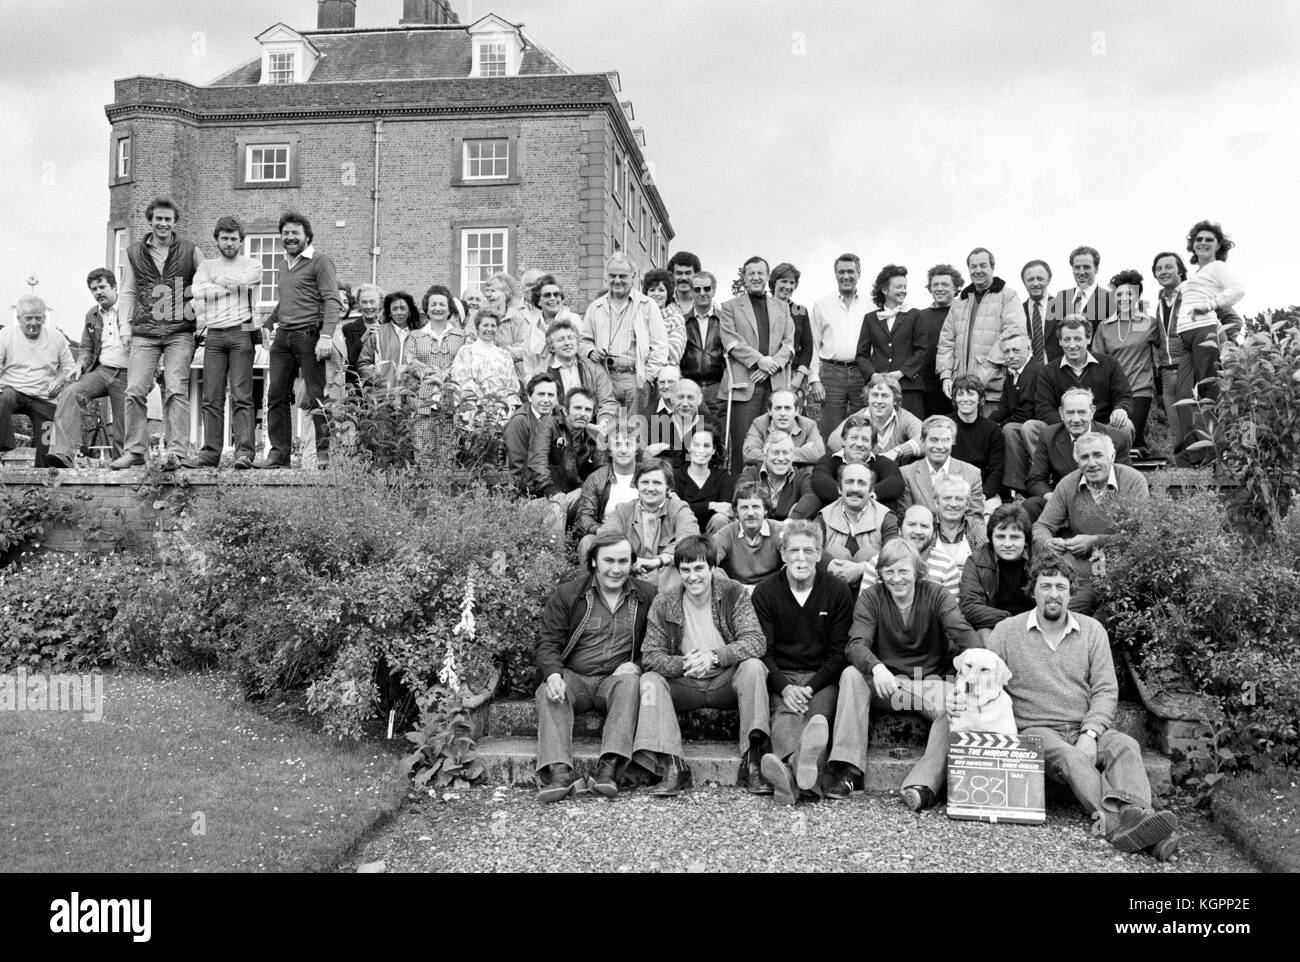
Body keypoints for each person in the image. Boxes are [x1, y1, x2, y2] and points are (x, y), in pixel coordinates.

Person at [967, 560, 1179, 858]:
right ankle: (1124, 824)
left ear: (1070, 593)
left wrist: (1090, 733)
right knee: (1069, 756)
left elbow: (1106, 690)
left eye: (1060, 587)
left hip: (1084, 726)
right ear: (1033, 591)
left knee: (1125, 744)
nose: (1053, 594)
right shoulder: (1006, 632)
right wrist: (957, 698)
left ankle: (1138, 817)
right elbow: (983, 678)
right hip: (1037, 731)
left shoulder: (1092, 631)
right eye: (1045, 586)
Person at [829, 539, 980, 807]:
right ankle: (849, 771)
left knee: (955, 705)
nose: (896, 579)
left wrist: (982, 663)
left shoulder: (936, 594)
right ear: (880, 573)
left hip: (929, 681)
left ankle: (923, 784)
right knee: (851, 675)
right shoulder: (871, 597)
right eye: (889, 572)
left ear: (917, 571)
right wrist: (877, 667)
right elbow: (856, 644)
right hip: (886, 684)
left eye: (903, 571)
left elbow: (960, 630)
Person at [633, 536, 772, 797]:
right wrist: (683, 663)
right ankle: (673, 766)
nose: (692, 576)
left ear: (712, 568)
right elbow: (650, 655)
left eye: (699, 568)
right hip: (685, 682)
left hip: (725, 681)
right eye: (685, 570)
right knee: (649, 680)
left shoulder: (732, 592)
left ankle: (753, 761)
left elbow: (755, 641)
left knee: (754, 667)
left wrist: (714, 657)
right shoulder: (664, 601)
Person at [533, 531, 656, 803]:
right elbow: (548, 641)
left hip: (614, 680)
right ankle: (559, 771)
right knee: (548, 690)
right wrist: (553, 673)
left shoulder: (647, 596)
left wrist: (637, 665)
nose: (615, 569)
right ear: (593, 563)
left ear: (632, 563)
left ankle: (609, 768)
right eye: (608, 560)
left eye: (623, 561)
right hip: (573, 676)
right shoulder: (569, 595)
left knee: (632, 683)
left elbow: (659, 644)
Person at [752, 520, 854, 804]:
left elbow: (840, 651)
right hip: (782, 676)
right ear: (782, 554)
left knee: (817, 724)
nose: (801, 557)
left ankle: (787, 774)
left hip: (821, 679)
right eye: (794, 550)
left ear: (820, 554)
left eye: (808, 551)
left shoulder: (837, 591)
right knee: (786, 716)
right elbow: (762, 650)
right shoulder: (766, 592)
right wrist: (785, 687)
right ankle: (800, 775)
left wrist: (811, 686)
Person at [112, 196, 204, 470]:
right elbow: (128, 291)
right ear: (150, 221)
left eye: (168, 219)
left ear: (175, 221)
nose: (163, 223)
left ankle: (177, 452)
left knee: (176, 389)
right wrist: (124, 327)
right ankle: (135, 451)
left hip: (179, 332)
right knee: (135, 390)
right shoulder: (134, 253)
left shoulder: (190, 250)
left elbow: (204, 287)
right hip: (145, 331)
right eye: (158, 218)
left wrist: (200, 320)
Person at [255, 211, 340, 470]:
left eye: (295, 233)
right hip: (283, 337)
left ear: (307, 236)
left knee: (317, 395)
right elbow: (286, 301)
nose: (290, 237)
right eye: (286, 233)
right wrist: (269, 324)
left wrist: (326, 335)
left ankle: (325, 455)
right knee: (275, 394)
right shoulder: (283, 265)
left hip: (310, 335)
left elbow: (332, 300)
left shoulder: (320, 261)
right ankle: (279, 455)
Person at [1032, 431, 1149, 613]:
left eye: (1098, 455)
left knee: (1107, 615)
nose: (1091, 463)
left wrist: (1095, 541)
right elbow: (1042, 525)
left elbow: (1141, 535)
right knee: (1066, 612)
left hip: (1122, 566)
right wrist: (1048, 542)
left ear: (1112, 456)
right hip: (1082, 567)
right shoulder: (1068, 484)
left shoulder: (1132, 481)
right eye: (1084, 457)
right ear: (1077, 461)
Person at [183, 216, 262, 469]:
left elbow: (249, 279)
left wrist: (219, 283)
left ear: (241, 241)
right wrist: (230, 284)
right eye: (225, 238)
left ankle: (244, 454)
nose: (229, 243)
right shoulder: (206, 265)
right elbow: (197, 292)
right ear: (217, 240)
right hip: (214, 336)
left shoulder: (253, 263)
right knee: (211, 397)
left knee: (242, 396)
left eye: (234, 239)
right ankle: (209, 454)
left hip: (241, 334)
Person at [45, 269, 129, 467]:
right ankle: (62, 453)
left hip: (127, 372)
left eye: (102, 287)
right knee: (71, 392)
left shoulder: (129, 308)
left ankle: (123, 465)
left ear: (114, 287)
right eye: (93, 289)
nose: (98, 292)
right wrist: (79, 364)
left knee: (123, 421)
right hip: (102, 370)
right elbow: (86, 348)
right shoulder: (92, 314)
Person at [720, 255, 796, 473]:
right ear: (744, 277)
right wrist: (759, 361)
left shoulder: (782, 307)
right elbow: (731, 341)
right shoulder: (730, 307)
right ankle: (741, 499)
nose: (755, 277)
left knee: (776, 445)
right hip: (744, 387)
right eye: (751, 273)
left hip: (776, 387)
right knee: (745, 448)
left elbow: (789, 344)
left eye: (760, 273)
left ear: (767, 276)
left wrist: (771, 366)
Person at [580, 252, 668, 416]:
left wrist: (648, 378)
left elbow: (660, 347)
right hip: (604, 378)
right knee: (607, 432)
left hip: (635, 379)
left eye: (622, 276)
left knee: (635, 431)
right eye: (612, 275)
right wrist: (591, 352)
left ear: (633, 276)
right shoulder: (595, 307)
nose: (617, 280)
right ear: (607, 276)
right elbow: (583, 341)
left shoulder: (648, 305)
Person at [936, 247, 1022, 415]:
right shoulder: (959, 303)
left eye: (983, 265)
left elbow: (1012, 334)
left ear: (992, 267)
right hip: (962, 391)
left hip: (992, 389)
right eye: (973, 267)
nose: (978, 270)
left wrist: (982, 374)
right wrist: (946, 375)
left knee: (990, 435)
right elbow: (946, 343)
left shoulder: (1008, 296)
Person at [597, 459, 701, 589]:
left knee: (676, 565)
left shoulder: (679, 509)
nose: (650, 488)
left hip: (666, 577)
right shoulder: (623, 510)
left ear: (668, 486)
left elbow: (690, 539)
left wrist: (657, 561)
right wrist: (630, 562)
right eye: (645, 482)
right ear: (637, 484)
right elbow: (605, 536)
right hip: (631, 574)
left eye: (657, 483)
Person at [1025, 388, 1132, 511]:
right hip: (1062, 503)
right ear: (1061, 413)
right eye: (1070, 413)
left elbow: (1126, 478)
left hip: (1104, 505)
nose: (1076, 419)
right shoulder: (1048, 436)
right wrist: (1054, 498)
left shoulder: (1115, 437)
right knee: (1031, 506)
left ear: (1092, 412)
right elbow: (1035, 479)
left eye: (1081, 412)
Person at [1092, 270, 1164, 452]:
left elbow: (1168, 347)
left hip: (1140, 390)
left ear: (1138, 296)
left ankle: (1141, 467)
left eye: (1129, 293)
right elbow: (1097, 361)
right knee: (1115, 437)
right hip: (1113, 391)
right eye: (1119, 294)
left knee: (1131, 432)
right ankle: (1141, 461)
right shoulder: (1105, 326)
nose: (1124, 298)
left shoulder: (1150, 323)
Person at [1032, 316, 1134, 443]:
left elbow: (1124, 396)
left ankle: (1113, 461)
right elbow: (1044, 408)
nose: (1072, 345)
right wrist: (1071, 425)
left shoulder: (1109, 363)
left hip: (1102, 427)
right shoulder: (1048, 371)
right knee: (1030, 428)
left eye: (1078, 339)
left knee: (1125, 426)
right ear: (1060, 341)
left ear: (1089, 339)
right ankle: (1052, 462)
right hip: (1065, 427)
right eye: (1067, 339)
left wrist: (1121, 409)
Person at [0, 296, 74, 468]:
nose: (34, 323)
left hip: (44, 397)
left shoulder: (57, 338)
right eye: (28, 318)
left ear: (44, 318)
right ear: (19, 318)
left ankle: (43, 476)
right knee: (2, 399)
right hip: (14, 391)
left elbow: (69, 367)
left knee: (48, 444)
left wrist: (60, 379)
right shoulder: (6, 335)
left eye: (38, 318)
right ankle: (4, 446)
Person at [809, 253, 872, 439]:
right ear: (835, 274)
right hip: (831, 374)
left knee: (863, 428)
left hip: (862, 374)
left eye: (851, 271)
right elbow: (813, 343)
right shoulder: (821, 305)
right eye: (841, 272)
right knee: (831, 431)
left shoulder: (871, 305)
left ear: (859, 273)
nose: (846, 276)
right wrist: (814, 380)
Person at [528, 387, 605, 529]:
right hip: (539, 499)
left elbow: (602, 474)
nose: (582, 414)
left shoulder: (592, 441)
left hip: (571, 500)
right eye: (577, 408)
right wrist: (555, 495)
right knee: (556, 508)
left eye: (587, 410)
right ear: (565, 410)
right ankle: (555, 552)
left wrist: (583, 489)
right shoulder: (549, 425)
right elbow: (538, 464)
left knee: (593, 506)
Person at [959, 503, 1039, 640]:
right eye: (1000, 537)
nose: (1007, 544)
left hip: (1035, 624)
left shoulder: (1040, 556)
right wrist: (1012, 620)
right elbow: (970, 607)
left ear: (1026, 540)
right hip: (995, 624)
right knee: (985, 636)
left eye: (1015, 537)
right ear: (991, 538)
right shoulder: (977, 561)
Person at [857, 264, 924, 417]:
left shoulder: (915, 315)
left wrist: (901, 373)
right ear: (885, 290)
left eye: (905, 286)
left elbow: (922, 351)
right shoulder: (870, 318)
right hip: (879, 389)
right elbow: (861, 354)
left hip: (909, 387)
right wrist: (873, 376)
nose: (903, 290)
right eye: (898, 286)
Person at [818, 461, 899, 589]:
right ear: (839, 488)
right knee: (836, 553)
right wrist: (832, 565)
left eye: (862, 483)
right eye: (849, 482)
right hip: (832, 592)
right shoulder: (824, 516)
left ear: (871, 490)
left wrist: (863, 569)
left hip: (873, 593)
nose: (855, 489)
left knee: (868, 555)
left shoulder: (886, 517)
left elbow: (895, 554)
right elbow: (808, 548)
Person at [897, 415, 985, 526]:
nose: (939, 446)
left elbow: (975, 519)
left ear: (953, 442)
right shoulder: (906, 474)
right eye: (934, 440)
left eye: (945, 440)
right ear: (923, 442)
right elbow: (906, 518)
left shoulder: (972, 473)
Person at [809, 414, 904, 514]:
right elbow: (820, 481)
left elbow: (896, 482)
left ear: (872, 444)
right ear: (844, 440)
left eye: (865, 439)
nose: (859, 444)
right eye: (854, 438)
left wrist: (866, 497)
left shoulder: (883, 463)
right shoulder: (828, 460)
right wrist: (852, 499)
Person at [536, 316, 617, 431]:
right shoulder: (543, 373)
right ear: (551, 347)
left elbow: (607, 402)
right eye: (560, 340)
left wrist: (602, 423)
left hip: (592, 427)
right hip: (557, 429)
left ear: (577, 342)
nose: (567, 343)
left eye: (571, 338)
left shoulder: (593, 368)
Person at [575, 424, 643, 557]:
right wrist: (601, 530)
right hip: (606, 534)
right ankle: (588, 579)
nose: (623, 450)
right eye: (617, 444)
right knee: (587, 542)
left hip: (641, 534)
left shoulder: (648, 475)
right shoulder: (596, 478)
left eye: (628, 444)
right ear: (609, 450)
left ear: (637, 449)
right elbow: (584, 516)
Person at [827, 372, 923, 463]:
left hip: (897, 474)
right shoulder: (858, 417)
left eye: (885, 396)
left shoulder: (904, 417)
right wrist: (864, 457)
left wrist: (896, 452)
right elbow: (834, 440)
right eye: (874, 395)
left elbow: (926, 438)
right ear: (868, 398)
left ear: (895, 400)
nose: (879, 401)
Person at [995, 331, 1044, 498]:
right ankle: (1013, 488)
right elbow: (1004, 406)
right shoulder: (1013, 373)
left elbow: (1027, 412)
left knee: (1008, 429)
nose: (1010, 356)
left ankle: (1020, 488)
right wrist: (988, 423)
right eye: (1006, 352)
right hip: (1023, 423)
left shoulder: (1034, 371)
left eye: (1016, 350)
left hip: (1038, 425)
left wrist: (999, 426)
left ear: (1029, 349)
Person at [711, 483, 785, 590]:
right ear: (736, 511)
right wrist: (730, 587)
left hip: (771, 593)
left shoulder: (779, 530)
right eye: (744, 507)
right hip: (736, 594)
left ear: (765, 510)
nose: (750, 513)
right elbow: (708, 562)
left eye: (756, 507)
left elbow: (793, 561)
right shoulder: (727, 533)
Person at [949, 373, 1005, 513]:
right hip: (949, 489)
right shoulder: (946, 425)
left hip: (982, 492)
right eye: (960, 394)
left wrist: (981, 497)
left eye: (971, 394)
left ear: (980, 399)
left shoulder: (992, 430)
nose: (965, 399)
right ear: (955, 399)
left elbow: (996, 472)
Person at [926, 474, 987, 597]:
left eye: (959, 499)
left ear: (967, 505)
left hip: (971, 594)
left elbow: (984, 564)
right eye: (947, 498)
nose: (953, 504)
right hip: (933, 595)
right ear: (936, 502)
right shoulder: (928, 526)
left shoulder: (975, 526)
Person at [448, 308, 520, 411]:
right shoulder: (466, 351)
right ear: (477, 328)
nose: (489, 329)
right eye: (485, 325)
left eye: (493, 326)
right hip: (472, 409)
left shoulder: (504, 355)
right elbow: (459, 380)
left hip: (499, 412)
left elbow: (512, 386)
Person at [736, 431, 817, 521]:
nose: (781, 458)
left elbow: (812, 497)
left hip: (788, 529)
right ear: (765, 454)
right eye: (775, 453)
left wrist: (793, 517)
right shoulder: (752, 473)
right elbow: (740, 495)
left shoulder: (801, 476)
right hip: (756, 526)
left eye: (785, 453)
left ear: (792, 456)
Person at [914, 264, 962, 418]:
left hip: (954, 387)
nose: (939, 288)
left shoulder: (963, 314)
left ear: (956, 288)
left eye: (945, 284)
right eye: (935, 285)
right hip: (925, 390)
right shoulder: (919, 316)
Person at [673, 421, 734, 535]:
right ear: (688, 447)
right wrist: (712, 505)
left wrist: (692, 506)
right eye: (696, 445)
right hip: (683, 533)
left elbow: (727, 510)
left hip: (714, 537)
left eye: (706, 446)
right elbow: (677, 510)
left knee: (720, 519)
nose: (701, 450)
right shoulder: (676, 475)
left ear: (714, 449)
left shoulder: (723, 477)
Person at [679, 271, 725, 421]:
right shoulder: (682, 322)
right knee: (691, 435)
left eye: (707, 288)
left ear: (714, 291)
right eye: (697, 289)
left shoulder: (724, 321)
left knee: (716, 435)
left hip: (716, 388)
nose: (702, 293)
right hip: (690, 387)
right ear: (691, 292)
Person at [503, 373, 557, 493]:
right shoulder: (519, 423)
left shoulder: (558, 416)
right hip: (532, 491)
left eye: (551, 395)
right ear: (529, 396)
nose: (546, 400)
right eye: (541, 394)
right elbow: (519, 472)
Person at [741, 388, 824, 467]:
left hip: (797, 476)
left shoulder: (809, 425)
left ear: (797, 411)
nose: (783, 413)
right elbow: (748, 454)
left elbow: (819, 454)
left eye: (787, 408)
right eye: (778, 408)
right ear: (770, 411)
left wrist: (772, 451)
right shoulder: (760, 423)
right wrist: (801, 452)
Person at [770, 263, 814, 402]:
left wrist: (800, 376)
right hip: (769, 372)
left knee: (792, 417)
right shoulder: (764, 308)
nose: (788, 286)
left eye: (792, 283)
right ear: (773, 283)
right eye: (783, 281)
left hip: (794, 375)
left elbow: (808, 346)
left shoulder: (800, 310)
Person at [644, 377, 705, 472]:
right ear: (672, 399)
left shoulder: (710, 424)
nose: (685, 403)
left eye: (690, 398)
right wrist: (689, 453)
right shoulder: (660, 424)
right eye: (680, 397)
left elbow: (709, 458)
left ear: (699, 399)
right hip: (669, 479)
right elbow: (658, 461)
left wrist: (667, 447)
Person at [1051, 246, 1116, 327]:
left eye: (1086, 267)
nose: (1081, 272)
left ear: (1096, 269)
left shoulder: (1110, 298)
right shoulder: (1062, 296)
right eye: (1077, 267)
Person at [339, 283, 384, 390]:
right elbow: (349, 361)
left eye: (372, 301)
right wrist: (364, 337)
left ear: (380, 304)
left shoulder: (386, 329)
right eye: (364, 302)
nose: (368, 306)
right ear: (359, 304)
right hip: (357, 390)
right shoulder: (349, 329)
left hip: (381, 389)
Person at [420, 284, 468, 382]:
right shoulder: (415, 335)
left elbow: (465, 365)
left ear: (449, 309)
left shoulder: (463, 336)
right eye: (433, 305)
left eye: (442, 304)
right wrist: (433, 373)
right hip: (422, 394)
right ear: (427, 309)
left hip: (451, 392)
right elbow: (410, 363)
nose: (437, 308)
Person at [1020, 258, 1062, 365]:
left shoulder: (1063, 308)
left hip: (1057, 373)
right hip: (1029, 374)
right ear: (1024, 282)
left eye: (1040, 279)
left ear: (1048, 280)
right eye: (1030, 279)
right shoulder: (1018, 311)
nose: (1035, 283)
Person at [642, 268, 687, 366]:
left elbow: (673, 353)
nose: (656, 294)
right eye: (652, 290)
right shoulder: (639, 317)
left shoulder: (676, 319)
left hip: (666, 376)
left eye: (661, 290)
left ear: (668, 293)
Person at [666, 250, 703, 320]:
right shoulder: (663, 303)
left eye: (688, 273)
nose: (683, 278)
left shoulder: (710, 306)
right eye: (679, 273)